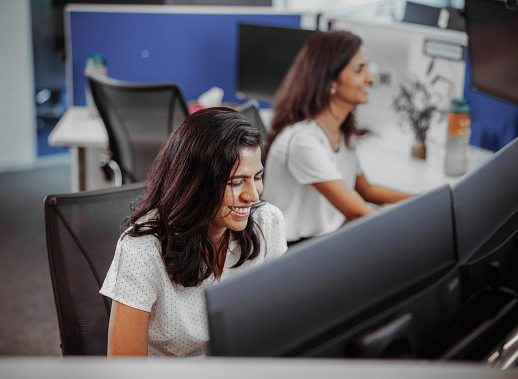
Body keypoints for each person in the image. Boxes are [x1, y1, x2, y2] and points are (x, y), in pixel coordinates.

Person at [100, 107, 287, 357]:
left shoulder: (268, 222)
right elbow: (124, 370)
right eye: (235, 182)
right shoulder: (141, 251)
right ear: (196, 183)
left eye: (257, 177)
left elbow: (280, 322)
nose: (253, 195)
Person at [263, 30, 412, 245]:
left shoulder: (340, 130)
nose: (369, 78)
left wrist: (427, 200)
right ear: (330, 82)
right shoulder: (304, 142)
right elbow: (358, 213)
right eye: (359, 70)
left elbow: (366, 191)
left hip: (326, 238)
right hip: (295, 252)